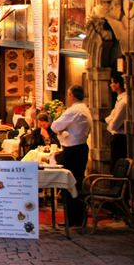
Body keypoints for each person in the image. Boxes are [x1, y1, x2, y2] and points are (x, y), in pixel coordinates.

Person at [51, 85, 92, 227]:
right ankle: (76, 217)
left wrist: (62, 131)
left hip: (72, 151)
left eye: (68, 95)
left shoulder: (74, 110)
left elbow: (55, 126)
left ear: (72, 95)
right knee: (76, 181)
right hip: (81, 148)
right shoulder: (84, 109)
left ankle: (72, 218)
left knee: (68, 183)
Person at [105, 72, 128, 167]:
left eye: (112, 82)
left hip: (121, 139)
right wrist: (111, 120)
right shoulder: (119, 99)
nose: (110, 85)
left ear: (118, 84)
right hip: (117, 137)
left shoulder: (124, 102)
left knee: (117, 165)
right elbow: (108, 118)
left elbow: (114, 125)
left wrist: (111, 123)